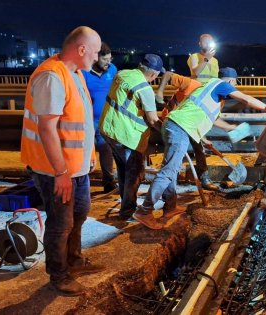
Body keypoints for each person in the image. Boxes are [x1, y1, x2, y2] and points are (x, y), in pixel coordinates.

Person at [135, 67, 266, 229]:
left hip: (175, 125)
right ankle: (144, 211)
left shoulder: (211, 91)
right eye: (234, 83)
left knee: (170, 170)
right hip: (179, 127)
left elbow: (213, 119)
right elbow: (245, 99)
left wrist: (230, 128)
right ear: (231, 81)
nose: (234, 86)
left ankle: (170, 207)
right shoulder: (220, 85)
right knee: (168, 171)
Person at [20, 26, 105, 296]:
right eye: (95, 52)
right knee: (61, 223)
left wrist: (87, 160)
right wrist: (61, 172)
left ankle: (75, 260)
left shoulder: (76, 73)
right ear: (81, 49)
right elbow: (47, 128)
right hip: (54, 169)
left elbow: (78, 124)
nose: (97, 57)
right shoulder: (51, 76)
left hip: (75, 167)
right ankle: (58, 274)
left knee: (79, 213)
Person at [99, 54, 164, 220]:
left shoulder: (122, 74)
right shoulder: (145, 89)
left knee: (123, 171)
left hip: (108, 130)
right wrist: (166, 131)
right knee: (134, 174)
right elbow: (152, 119)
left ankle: (125, 206)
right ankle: (128, 212)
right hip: (126, 137)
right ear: (154, 74)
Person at [156, 72, 219, 190]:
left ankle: (203, 178)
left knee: (199, 148)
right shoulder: (191, 84)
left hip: (187, 124)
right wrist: (160, 91)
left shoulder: (210, 99)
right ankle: (169, 185)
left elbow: (200, 120)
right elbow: (168, 74)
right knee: (175, 155)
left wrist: (203, 138)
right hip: (171, 121)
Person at [82, 42, 117, 193]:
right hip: (86, 120)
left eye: (110, 59)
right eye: (105, 59)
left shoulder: (113, 70)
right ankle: (81, 184)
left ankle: (108, 182)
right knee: (84, 153)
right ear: (95, 58)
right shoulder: (83, 72)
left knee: (106, 150)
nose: (109, 62)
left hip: (105, 120)